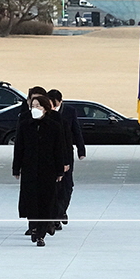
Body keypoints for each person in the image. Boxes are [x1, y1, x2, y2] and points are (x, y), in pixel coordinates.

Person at [13, 93, 65, 246]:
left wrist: (60, 170)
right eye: (33, 106)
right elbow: (19, 148)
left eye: (38, 106)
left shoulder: (54, 126)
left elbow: (59, 149)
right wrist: (16, 168)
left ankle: (41, 232)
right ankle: (33, 226)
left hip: (47, 169)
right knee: (31, 200)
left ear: (45, 108)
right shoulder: (25, 125)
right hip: (29, 168)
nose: (35, 109)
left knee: (45, 201)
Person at [47, 89, 85, 224]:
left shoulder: (69, 111)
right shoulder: (45, 113)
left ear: (60, 102)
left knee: (67, 185)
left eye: (55, 104)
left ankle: (62, 210)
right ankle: (55, 215)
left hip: (67, 153)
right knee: (54, 185)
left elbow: (76, 130)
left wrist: (81, 149)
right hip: (51, 154)